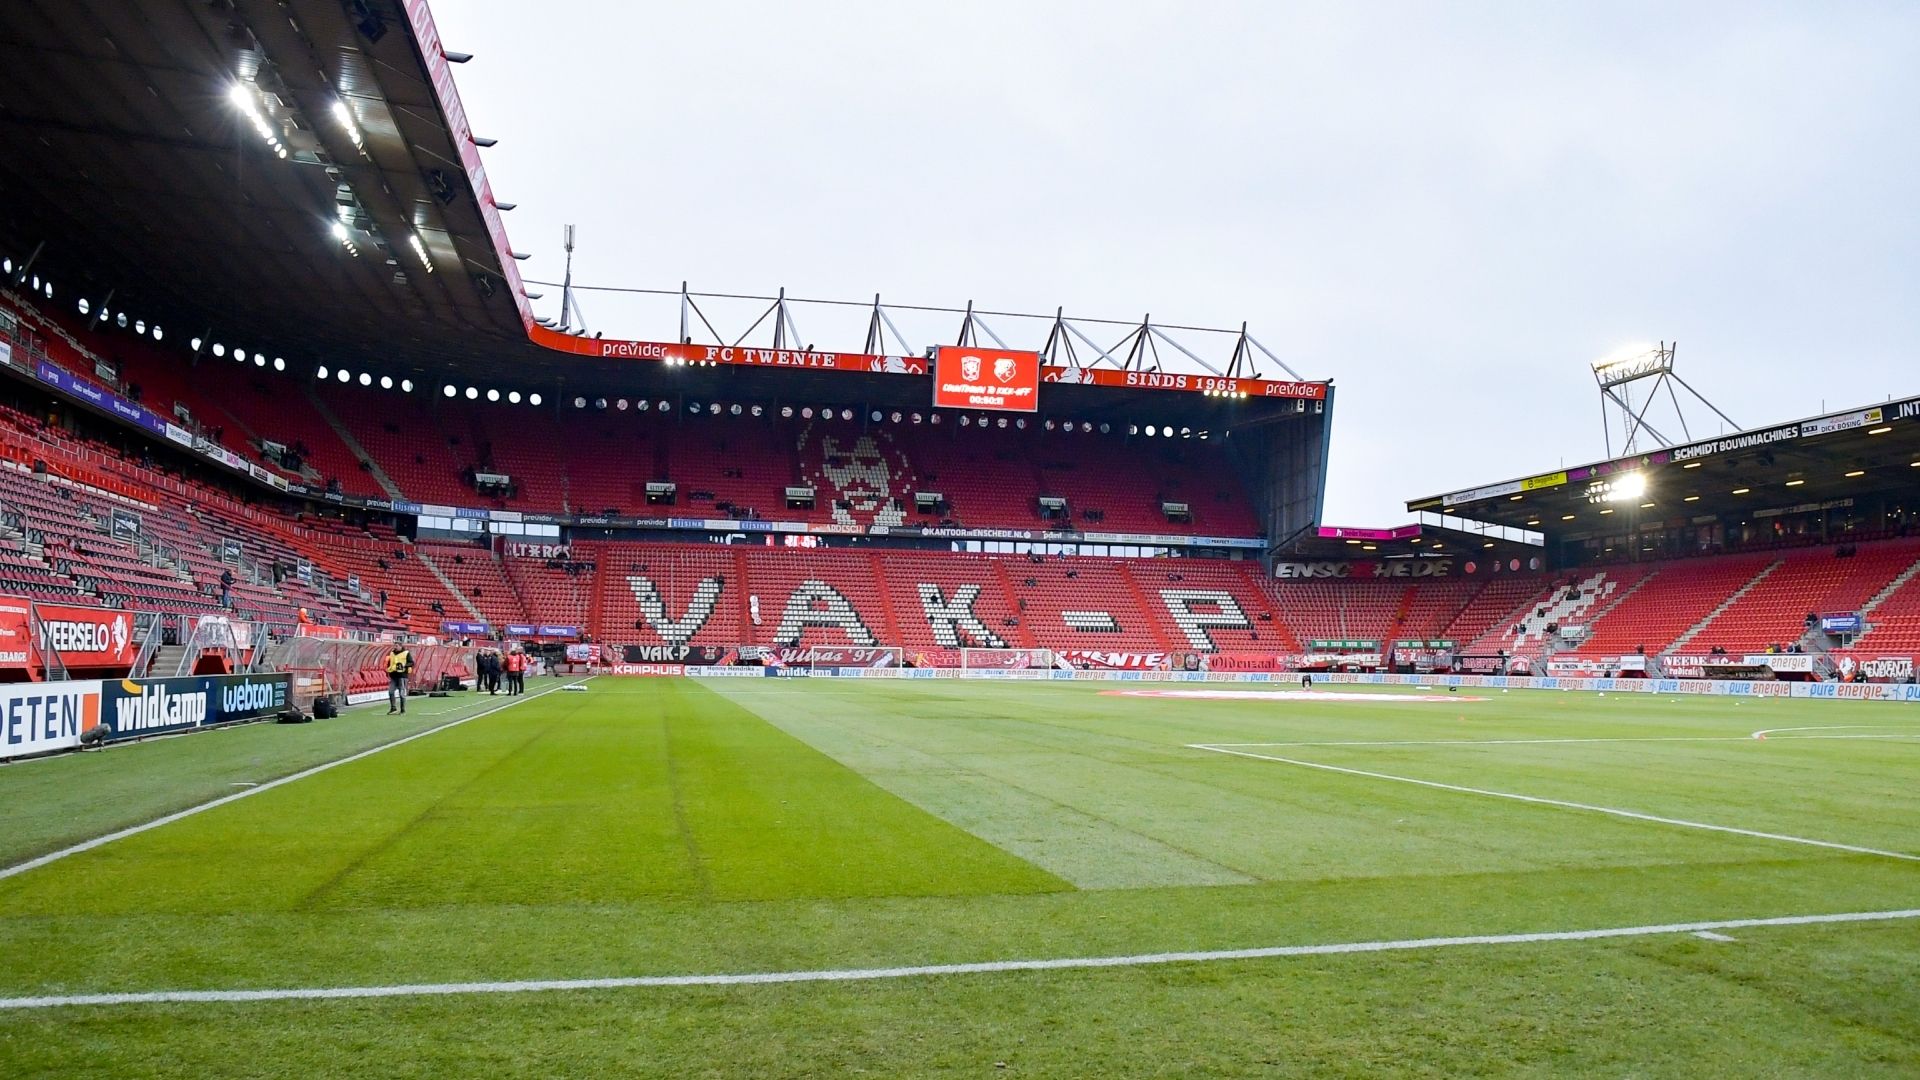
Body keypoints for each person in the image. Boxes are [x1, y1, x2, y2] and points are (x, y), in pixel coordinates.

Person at [385, 642, 414, 714]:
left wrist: (404, 665)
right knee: (391, 692)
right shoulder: (392, 653)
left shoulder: (406, 653)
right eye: (394, 646)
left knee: (401, 693)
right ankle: (393, 708)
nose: (395, 647)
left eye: (396, 646)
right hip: (393, 675)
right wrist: (389, 669)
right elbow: (390, 663)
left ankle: (403, 710)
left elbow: (411, 663)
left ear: (401, 646)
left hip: (402, 676)